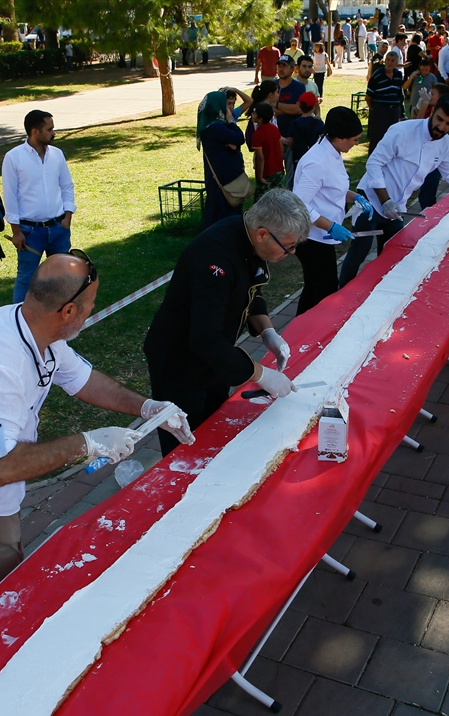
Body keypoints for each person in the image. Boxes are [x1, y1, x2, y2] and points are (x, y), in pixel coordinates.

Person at [0, 253, 195, 595]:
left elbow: (84, 380)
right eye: (90, 305)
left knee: (14, 575)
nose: (91, 311)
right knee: (9, 597)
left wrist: (148, 407)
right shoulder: (1, 367)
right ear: (68, 311)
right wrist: (88, 442)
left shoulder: (34, 326)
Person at [143, 190, 308, 455]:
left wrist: (267, 331)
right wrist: (261, 374)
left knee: (213, 430)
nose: (291, 252)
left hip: (214, 358)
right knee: (184, 448)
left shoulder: (249, 237)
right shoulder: (214, 256)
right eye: (287, 246)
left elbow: (249, 289)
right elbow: (205, 338)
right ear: (263, 234)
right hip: (179, 363)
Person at [339, 98, 449, 288]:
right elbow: (374, 163)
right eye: (439, 119)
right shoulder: (402, 131)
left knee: (391, 253)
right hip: (371, 201)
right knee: (359, 250)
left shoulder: (444, 143)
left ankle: (379, 293)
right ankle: (338, 295)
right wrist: (385, 200)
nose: (442, 126)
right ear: (432, 112)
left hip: (398, 206)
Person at [292, 108, 369, 314]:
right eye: (354, 139)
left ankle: (300, 333)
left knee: (314, 289)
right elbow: (298, 203)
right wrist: (330, 225)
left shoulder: (333, 151)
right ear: (340, 137)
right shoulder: (317, 161)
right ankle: (314, 335)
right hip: (312, 239)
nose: (356, 144)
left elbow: (332, 187)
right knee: (324, 291)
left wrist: (355, 197)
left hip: (321, 237)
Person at [2, 110, 77, 303]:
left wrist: (67, 217)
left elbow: (67, 186)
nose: (54, 133)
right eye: (49, 129)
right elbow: (10, 197)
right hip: (30, 232)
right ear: (35, 131)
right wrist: (16, 231)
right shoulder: (13, 158)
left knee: (61, 277)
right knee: (26, 280)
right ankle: (18, 320)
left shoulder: (57, 155)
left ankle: (59, 318)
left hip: (58, 229)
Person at [197, 90, 249, 229]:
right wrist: (231, 122)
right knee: (225, 213)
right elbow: (239, 138)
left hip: (218, 178)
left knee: (217, 211)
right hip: (224, 179)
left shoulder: (210, 126)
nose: (227, 108)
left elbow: (234, 143)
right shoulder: (216, 127)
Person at [366, 49, 405, 152]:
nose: (389, 63)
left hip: (394, 110)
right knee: (377, 137)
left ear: (396, 63)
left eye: (392, 61)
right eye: (388, 60)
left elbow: (399, 93)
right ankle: (373, 161)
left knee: (393, 136)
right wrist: (375, 108)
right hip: (380, 110)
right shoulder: (377, 75)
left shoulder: (398, 75)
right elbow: (369, 96)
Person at [248, 102, 286, 198]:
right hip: (278, 170)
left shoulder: (257, 135)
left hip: (266, 173)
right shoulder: (274, 128)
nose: (252, 114)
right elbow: (281, 146)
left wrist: (260, 177)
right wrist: (279, 162)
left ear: (260, 119)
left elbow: (260, 158)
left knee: (263, 201)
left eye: (254, 113)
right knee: (278, 198)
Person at [289, 92, 325, 166]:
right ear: (314, 107)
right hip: (314, 156)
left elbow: (290, 142)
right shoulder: (318, 123)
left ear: (299, 105)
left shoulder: (294, 123)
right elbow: (324, 139)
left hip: (298, 157)